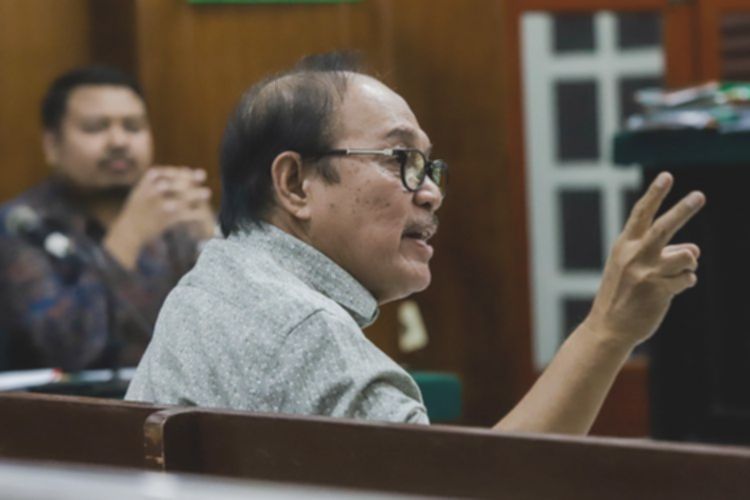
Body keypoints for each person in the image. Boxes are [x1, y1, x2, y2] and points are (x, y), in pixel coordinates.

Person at [126, 53, 705, 433]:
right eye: (401, 159)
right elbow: (482, 492)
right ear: (296, 183)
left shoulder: (214, 281)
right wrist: (608, 328)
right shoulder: (304, 332)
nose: (430, 193)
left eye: (429, 167)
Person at [0, 66, 215, 372]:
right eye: (95, 128)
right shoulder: (20, 225)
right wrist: (127, 237)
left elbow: (236, 336)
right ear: (52, 145)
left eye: (133, 127)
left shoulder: (174, 213)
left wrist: (212, 241)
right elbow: (64, 349)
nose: (119, 141)